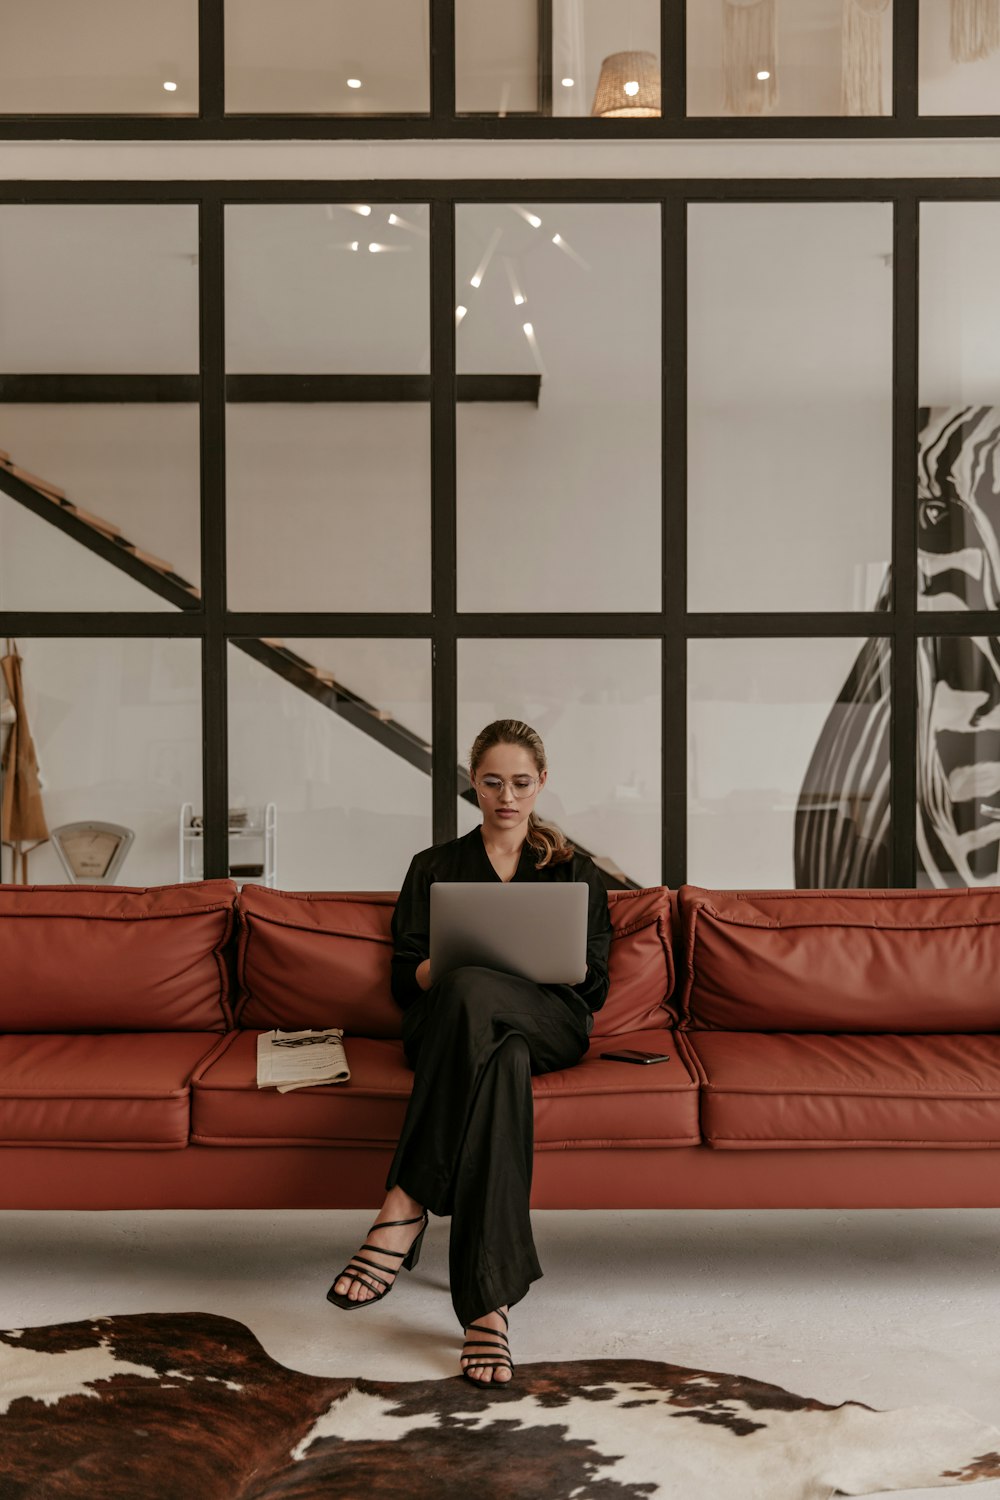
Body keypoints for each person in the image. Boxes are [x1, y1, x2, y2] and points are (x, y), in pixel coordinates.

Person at [327, 718, 612, 1386]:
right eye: (491, 782)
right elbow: (406, 978)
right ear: (473, 785)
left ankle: (406, 1200)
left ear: (541, 783)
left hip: (550, 1021)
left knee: (483, 995)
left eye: (519, 782)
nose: (506, 796)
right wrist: (448, 970)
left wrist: (521, 968)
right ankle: (488, 1303)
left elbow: (594, 984)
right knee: (496, 1052)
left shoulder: (576, 870)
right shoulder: (434, 868)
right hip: (452, 1027)